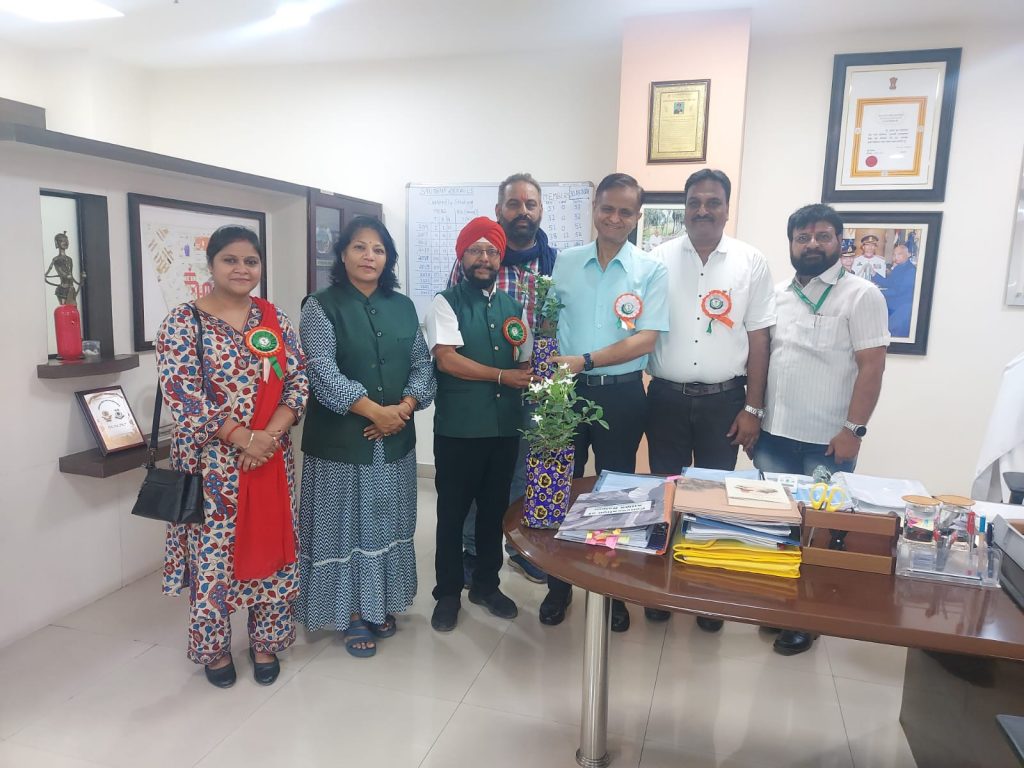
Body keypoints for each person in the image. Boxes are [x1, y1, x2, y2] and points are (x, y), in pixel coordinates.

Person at [156, 225, 308, 688]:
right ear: (211, 265)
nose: (242, 269)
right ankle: (214, 648)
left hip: (270, 460)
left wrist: (268, 437)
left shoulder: (273, 319)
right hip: (213, 467)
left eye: (251, 261)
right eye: (230, 260)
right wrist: (243, 438)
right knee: (214, 558)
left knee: (273, 548)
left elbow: (298, 380)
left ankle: (266, 641)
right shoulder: (183, 323)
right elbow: (183, 394)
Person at [297, 216, 435, 657]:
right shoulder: (320, 306)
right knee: (343, 527)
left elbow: (422, 365)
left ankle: (380, 604)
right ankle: (351, 612)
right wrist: (376, 411)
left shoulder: (403, 306)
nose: (369, 256)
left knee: (387, 522)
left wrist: (403, 409)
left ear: (388, 258)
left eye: (378, 249)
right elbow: (321, 370)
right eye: (359, 247)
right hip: (340, 444)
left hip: (395, 441)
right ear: (342, 254)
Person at [754, 203, 889, 656]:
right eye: (802, 237)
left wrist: (854, 430)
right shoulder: (777, 294)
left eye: (822, 236)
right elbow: (765, 359)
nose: (811, 244)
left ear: (839, 242)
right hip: (774, 436)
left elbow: (872, 368)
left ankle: (805, 619)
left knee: (818, 530)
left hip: (828, 443)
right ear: (791, 244)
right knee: (778, 527)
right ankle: (779, 607)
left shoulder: (862, 296)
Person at [645, 168, 776, 629]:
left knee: (715, 498)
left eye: (713, 202)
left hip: (726, 401)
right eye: (695, 202)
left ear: (726, 207)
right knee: (666, 491)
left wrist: (753, 408)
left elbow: (760, 340)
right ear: (684, 208)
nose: (703, 210)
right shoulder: (657, 259)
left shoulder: (750, 262)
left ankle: (706, 594)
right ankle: (660, 587)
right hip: (665, 397)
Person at [542, 173, 669, 632]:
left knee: (616, 495)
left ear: (637, 217)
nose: (615, 218)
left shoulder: (650, 269)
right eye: (607, 208)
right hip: (565, 393)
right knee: (561, 487)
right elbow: (548, 323)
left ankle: (611, 591)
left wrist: (587, 360)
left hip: (622, 393)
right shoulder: (565, 262)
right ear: (594, 208)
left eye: (625, 212)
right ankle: (559, 587)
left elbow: (647, 339)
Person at [426, 216, 536, 632]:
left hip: (505, 428)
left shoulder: (513, 308)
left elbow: (523, 358)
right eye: (475, 250)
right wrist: (503, 376)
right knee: (453, 514)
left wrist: (527, 370)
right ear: (463, 256)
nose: (484, 258)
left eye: (491, 251)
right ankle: (448, 593)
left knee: (493, 512)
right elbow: (447, 359)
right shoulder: (445, 302)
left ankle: (487, 586)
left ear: (500, 257)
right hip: (459, 429)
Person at [448, 173, 557, 586]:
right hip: (482, 387)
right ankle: (474, 549)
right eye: (514, 204)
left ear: (540, 211)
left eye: (530, 204)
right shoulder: (473, 260)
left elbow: (554, 326)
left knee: (523, 472)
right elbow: (453, 317)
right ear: (499, 210)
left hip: (534, 388)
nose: (522, 211)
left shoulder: (553, 263)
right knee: (479, 474)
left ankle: (519, 547)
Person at [873, 244, 916, 337]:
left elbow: (898, 291)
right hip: (893, 303)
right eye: (894, 254)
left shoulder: (911, 270)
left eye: (899, 254)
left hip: (901, 307)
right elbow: (889, 283)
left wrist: (878, 292)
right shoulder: (899, 267)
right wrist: (875, 275)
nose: (896, 257)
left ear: (908, 254)